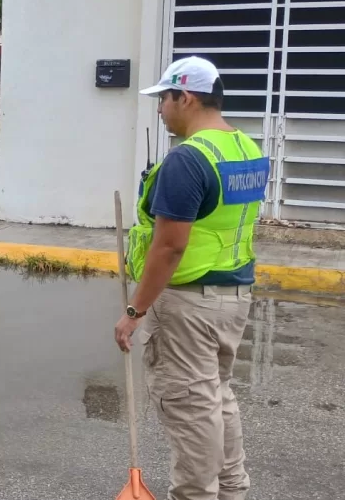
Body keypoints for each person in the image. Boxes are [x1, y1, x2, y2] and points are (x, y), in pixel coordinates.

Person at [115, 56, 268, 500]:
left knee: (189, 406)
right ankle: (232, 489)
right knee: (215, 397)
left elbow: (170, 246)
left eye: (164, 99)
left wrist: (134, 310)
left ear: (186, 97)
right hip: (232, 295)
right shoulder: (246, 149)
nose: (160, 109)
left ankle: (196, 495)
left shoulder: (187, 159)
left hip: (189, 301)